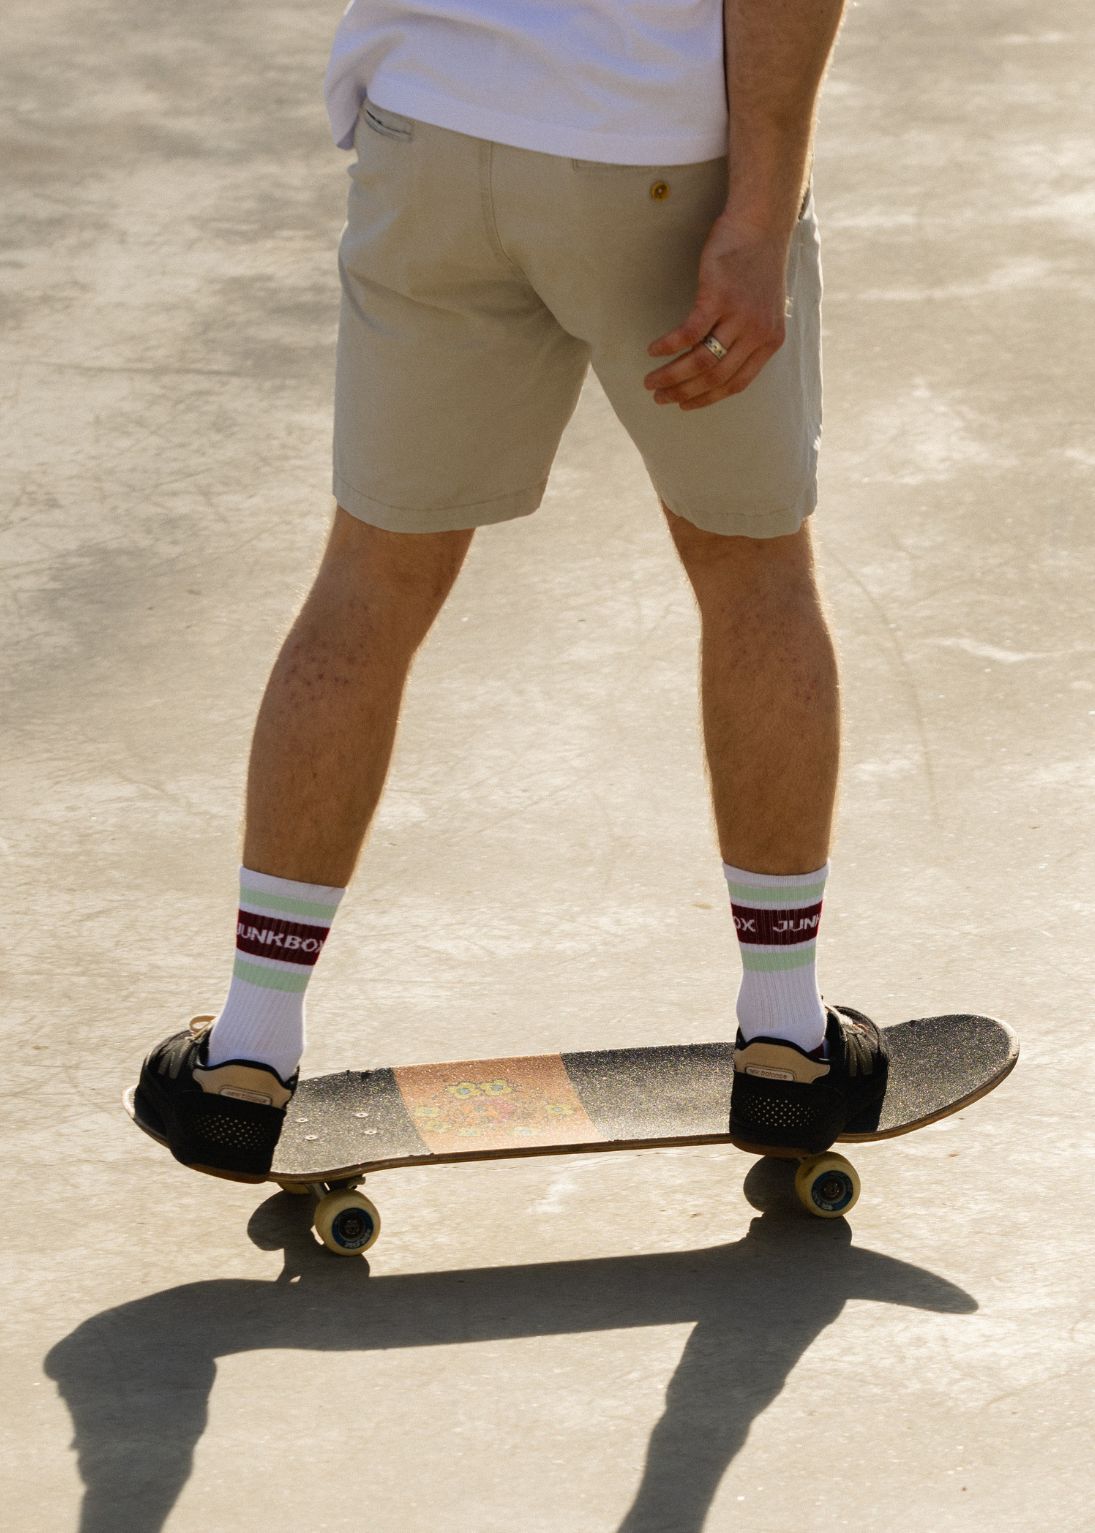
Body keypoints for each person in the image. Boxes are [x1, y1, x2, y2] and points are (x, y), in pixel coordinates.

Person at [133, 0, 887, 1184]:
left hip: (430, 130)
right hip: (652, 153)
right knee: (753, 570)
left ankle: (247, 1055)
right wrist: (755, 218)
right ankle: (788, 1040)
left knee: (369, 581)